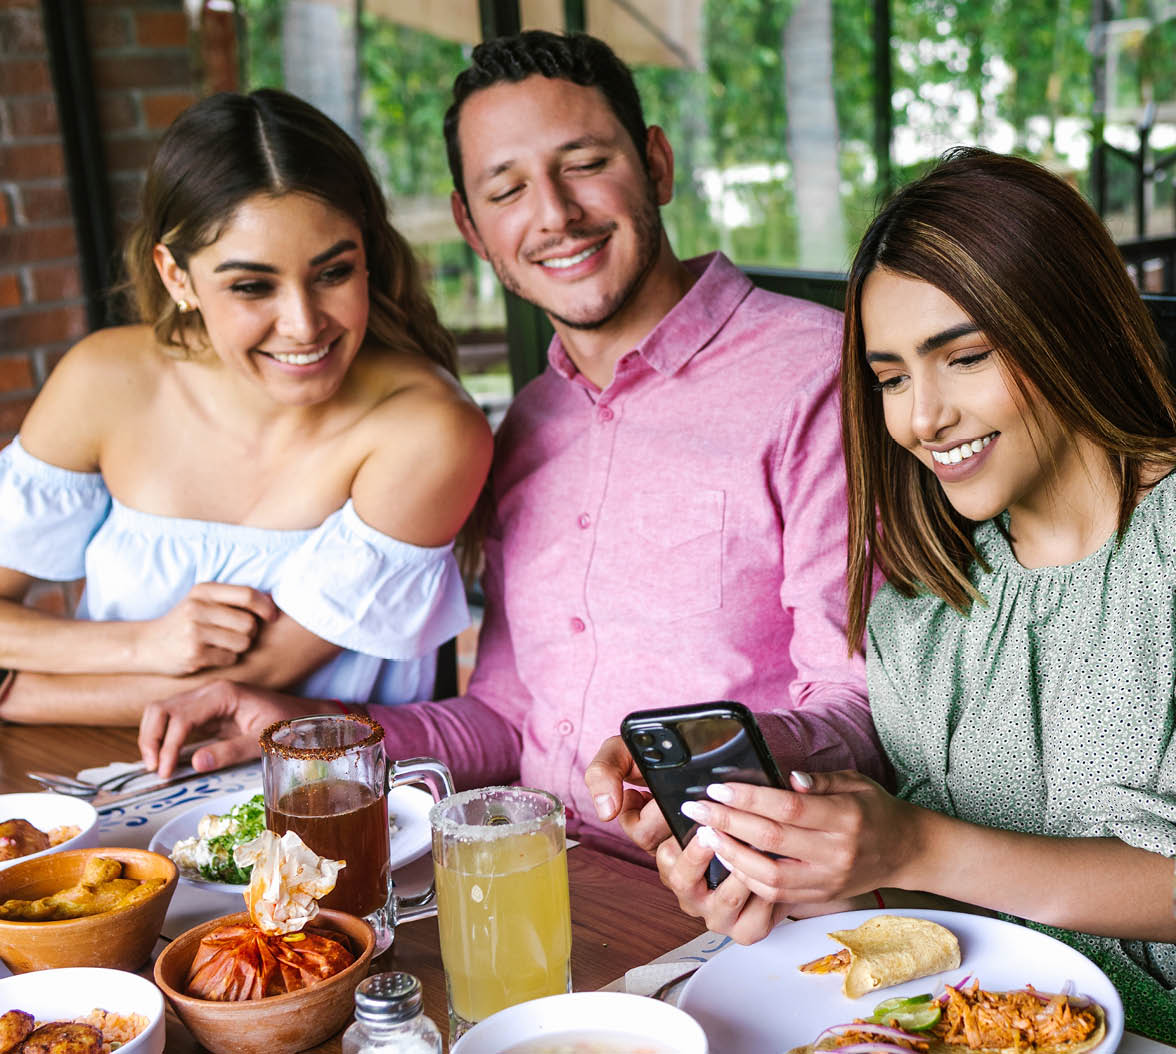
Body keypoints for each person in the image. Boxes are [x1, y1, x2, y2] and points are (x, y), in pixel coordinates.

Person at [138, 32, 886, 865]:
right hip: (535, 881)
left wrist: (699, 756)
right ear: (471, 224)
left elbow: (864, 708)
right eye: (507, 188)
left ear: (658, 165)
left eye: (585, 162)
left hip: (733, 898)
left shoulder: (817, 373)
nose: (555, 214)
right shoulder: (526, 428)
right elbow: (504, 717)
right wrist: (311, 733)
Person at [652, 148, 1176, 1039]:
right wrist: (807, 868)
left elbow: (945, 857)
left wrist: (919, 841)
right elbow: (936, 914)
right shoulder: (926, 605)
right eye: (890, 376)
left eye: (963, 356)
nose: (919, 417)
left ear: (1071, 323)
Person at [0, 89, 492, 726]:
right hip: (92, 778)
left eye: (333, 273)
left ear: (366, 255)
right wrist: (149, 642)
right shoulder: (105, 380)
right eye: (252, 286)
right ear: (178, 277)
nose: (303, 324)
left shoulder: (427, 427)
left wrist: (21, 693)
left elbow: (254, 679)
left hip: (330, 799)